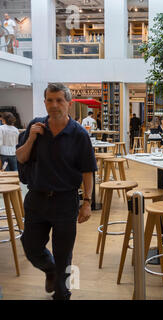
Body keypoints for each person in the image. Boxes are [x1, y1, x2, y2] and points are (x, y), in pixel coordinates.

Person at [16, 83, 97, 300]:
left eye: (59, 100)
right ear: (45, 102)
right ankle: (50, 270)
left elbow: (88, 170)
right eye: (50, 100)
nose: (54, 105)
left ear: (68, 103)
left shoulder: (79, 134)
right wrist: (31, 137)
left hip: (65, 201)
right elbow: (21, 158)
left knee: (64, 254)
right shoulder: (35, 126)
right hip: (36, 199)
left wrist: (87, 202)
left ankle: (63, 292)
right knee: (31, 247)